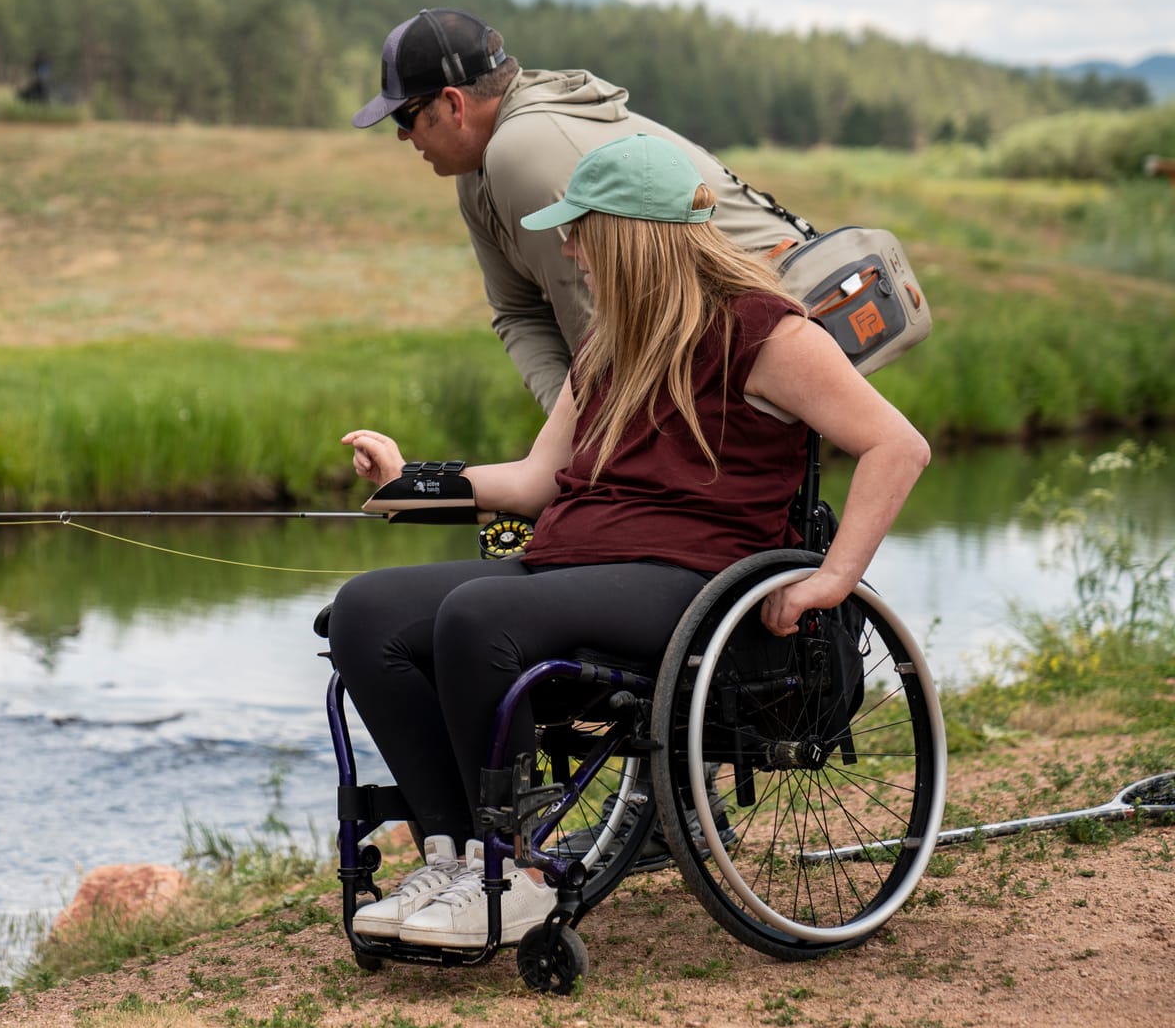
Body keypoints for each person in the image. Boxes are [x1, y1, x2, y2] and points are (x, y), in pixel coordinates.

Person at [325, 132, 929, 949]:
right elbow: (538, 481)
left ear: (629, 234)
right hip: (575, 562)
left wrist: (832, 578)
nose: (567, 244)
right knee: (366, 610)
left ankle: (515, 875)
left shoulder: (768, 334)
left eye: (580, 227)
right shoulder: (610, 344)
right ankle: (457, 853)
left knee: (480, 612)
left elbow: (897, 445)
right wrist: (411, 481)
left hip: (689, 578)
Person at [353, 9, 808, 414]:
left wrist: (597, 447)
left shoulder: (518, 152)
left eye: (404, 117)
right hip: (701, 351)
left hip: (783, 320)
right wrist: (573, 433)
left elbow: (600, 326)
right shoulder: (476, 170)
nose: (401, 136)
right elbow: (519, 313)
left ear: (453, 104)